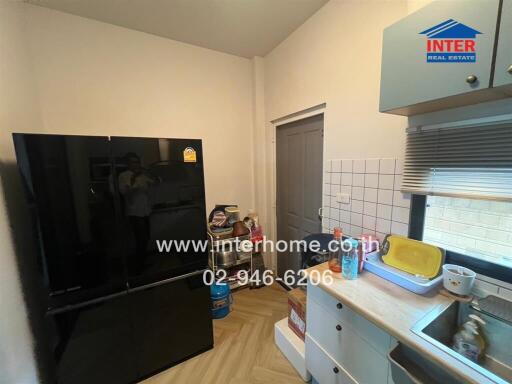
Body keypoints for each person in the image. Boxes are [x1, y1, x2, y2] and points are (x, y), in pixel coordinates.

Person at [118, 152, 157, 273]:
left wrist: (153, 176)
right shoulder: (123, 176)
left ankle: (142, 263)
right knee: (140, 239)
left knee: (146, 238)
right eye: (133, 162)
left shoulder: (142, 176)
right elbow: (124, 192)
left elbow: (155, 182)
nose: (136, 164)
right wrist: (133, 180)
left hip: (145, 211)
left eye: (137, 162)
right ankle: (138, 268)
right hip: (134, 213)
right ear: (128, 164)